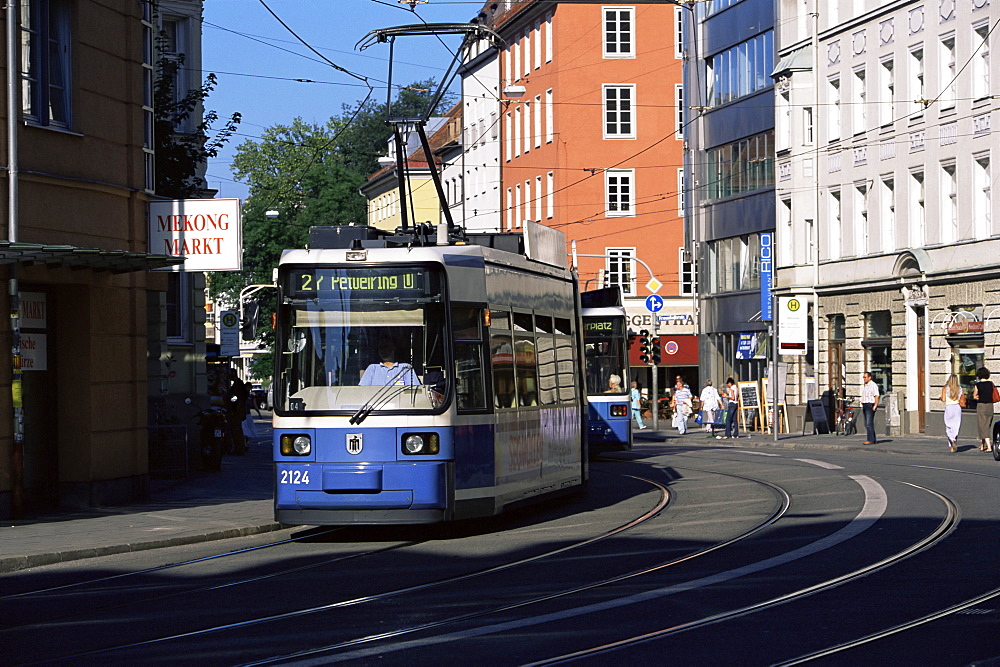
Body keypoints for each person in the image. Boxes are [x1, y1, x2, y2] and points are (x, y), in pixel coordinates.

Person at [972, 367, 996, 452]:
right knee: (987, 425)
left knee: (982, 425)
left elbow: (974, 396)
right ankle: (982, 445)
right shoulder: (991, 384)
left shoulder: (978, 385)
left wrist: (978, 396)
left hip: (981, 406)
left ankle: (989, 446)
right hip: (990, 405)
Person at [940, 374, 962, 453]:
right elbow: (959, 399)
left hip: (949, 407)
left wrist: (940, 397)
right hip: (957, 407)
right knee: (956, 426)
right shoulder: (959, 388)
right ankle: (954, 440)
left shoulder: (945, 388)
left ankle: (952, 441)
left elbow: (943, 399)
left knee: (948, 426)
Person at [860, 371, 880, 445]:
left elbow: (876, 396)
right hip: (865, 405)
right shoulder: (866, 385)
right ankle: (873, 439)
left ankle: (870, 440)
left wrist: (875, 405)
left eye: (865, 377)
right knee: (867, 423)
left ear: (869, 377)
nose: (864, 379)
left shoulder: (873, 385)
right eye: (863, 377)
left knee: (869, 423)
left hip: (870, 405)